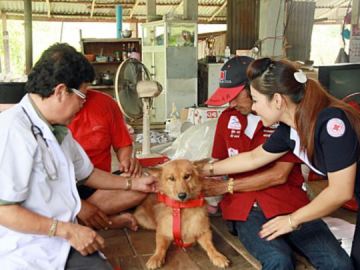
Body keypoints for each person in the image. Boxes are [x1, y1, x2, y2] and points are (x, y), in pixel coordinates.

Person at [0, 43, 156, 269]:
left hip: (60, 239)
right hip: (25, 248)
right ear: (61, 91)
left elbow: (87, 174)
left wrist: (133, 183)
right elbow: (4, 211)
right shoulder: (12, 131)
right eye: (82, 95)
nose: (84, 103)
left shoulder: (57, 130)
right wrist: (66, 230)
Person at [202, 57, 360, 269]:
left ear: (277, 100)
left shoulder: (331, 123)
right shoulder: (290, 129)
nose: (255, 109)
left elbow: (340, 192)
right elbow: (254, 158)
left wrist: (291, 220)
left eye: (256, 100)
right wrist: (202, 168)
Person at [68, 89, 143, 231]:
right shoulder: (54, 116)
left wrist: (127, 161)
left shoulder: (105, 103)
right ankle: (106, 221)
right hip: (63, 188)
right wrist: (79, 206)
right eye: (79, 94)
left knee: (143, 182)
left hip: (99, 184)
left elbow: (122, 144)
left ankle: (83, 218)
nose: (82, 99)